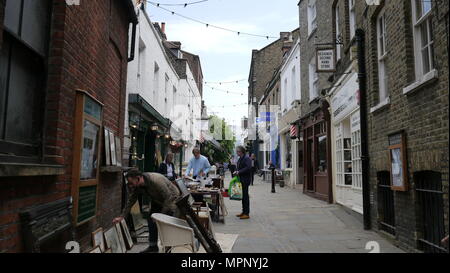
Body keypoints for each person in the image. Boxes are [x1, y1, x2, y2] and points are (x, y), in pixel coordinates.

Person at [113, 169, 181, 253]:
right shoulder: (138, 185)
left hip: (172, 200)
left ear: (138, 178)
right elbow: (131, 201)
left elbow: (168, 197)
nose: (130, 186)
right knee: (151, 219)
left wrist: (161, 215)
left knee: (166, 224)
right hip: (158, 200)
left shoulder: (156, 181)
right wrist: (122, 216)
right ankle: (153, 246)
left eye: (131, 183)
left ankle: (168, 249)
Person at [233, 146, 252, 220]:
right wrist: (236, 171)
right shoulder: (241, 158)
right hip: (241, 179)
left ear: (241, 151)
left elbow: (248, 167)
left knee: (245, 196)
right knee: (243, 196)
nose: (237, 152)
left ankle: (246, 213)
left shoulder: (246, 158)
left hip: (245, 180)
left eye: (238, 151)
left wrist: (239, 172)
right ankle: (243, 212)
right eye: (237, 151)